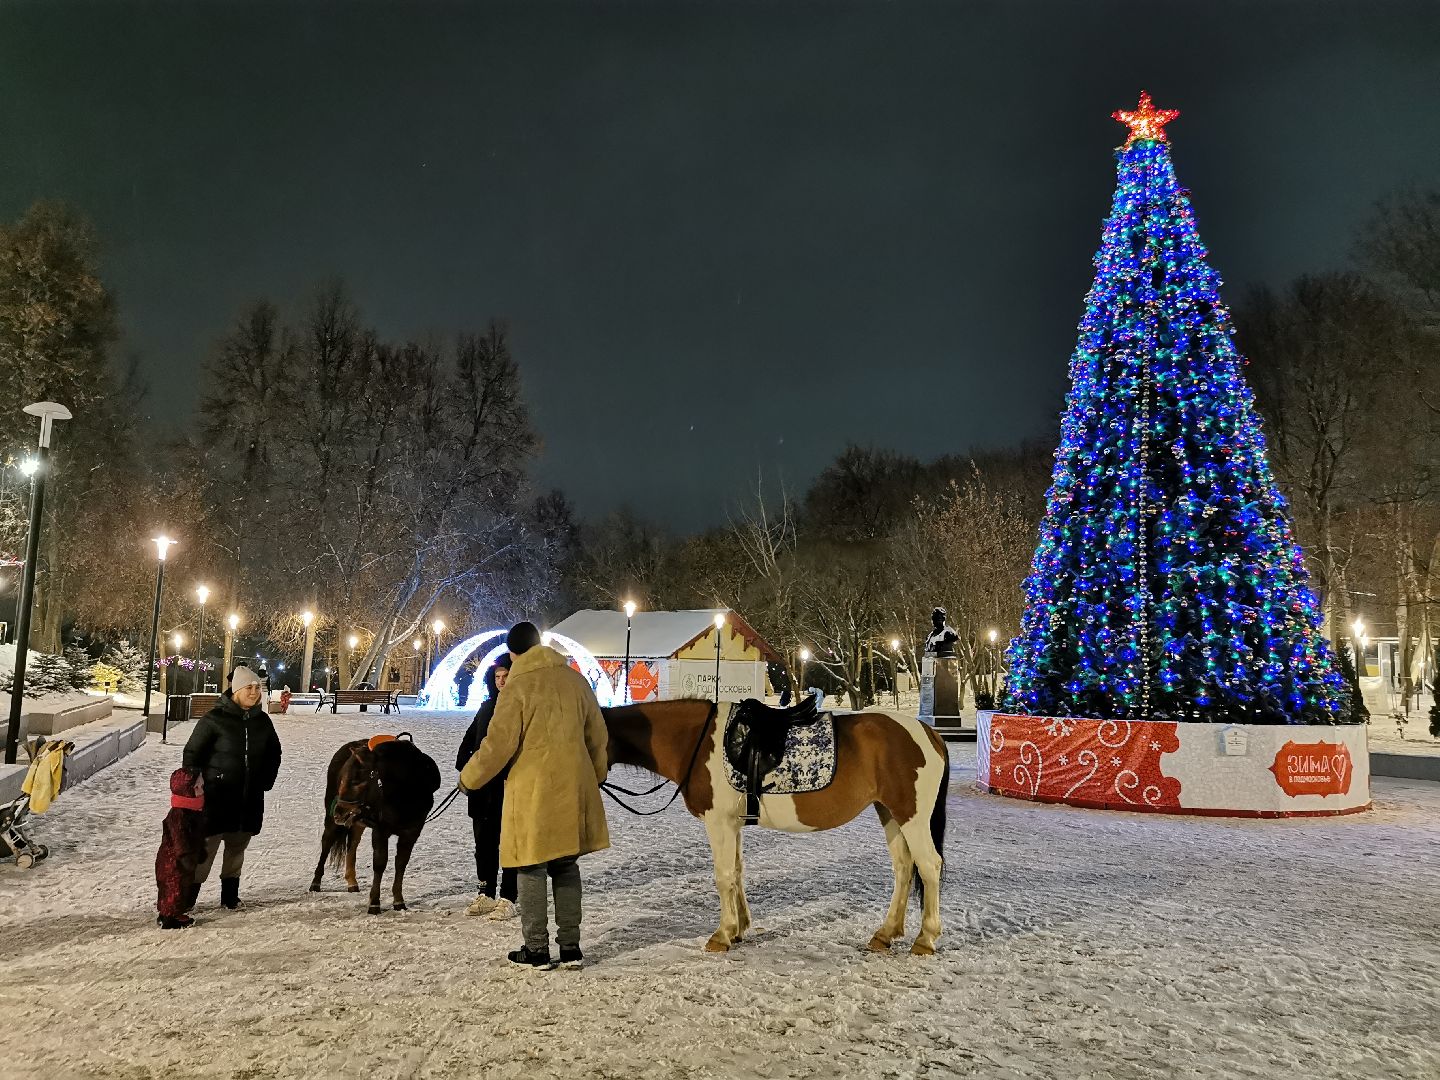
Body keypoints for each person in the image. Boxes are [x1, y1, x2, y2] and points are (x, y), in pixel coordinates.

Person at [459, 622, 609, 970]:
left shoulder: (518, 687)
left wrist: (470, 777)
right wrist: (594, 776)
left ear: (513, 653)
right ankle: (570, 948)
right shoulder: (575, 680)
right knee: (566, 866)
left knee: (530, 866)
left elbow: (498, 745)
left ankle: (537, 950)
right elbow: (598, 737)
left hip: (533, 791)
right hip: (573, 787)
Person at [182, 665, 282, 911]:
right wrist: (194, 786)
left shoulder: (262, 721)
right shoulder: (213, 720)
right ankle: (186, 899)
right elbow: (192, 753)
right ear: (236, 690)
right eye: (249, 687)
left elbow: (274, 752)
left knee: (237, 849)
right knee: (205, 851)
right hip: (215, 799)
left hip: (248, 798)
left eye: (258, 687)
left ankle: (230, 897)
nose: (254, 692)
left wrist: (265, 780)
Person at [455, 656, 518, 918]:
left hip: (509, 787)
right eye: (497, 677)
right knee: (484, 843)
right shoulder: (486, 707)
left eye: (506, 676)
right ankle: (486, 891)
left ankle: (509, 895)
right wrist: (467, 768)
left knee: (510, 843)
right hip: (483, 790)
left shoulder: (519, 708)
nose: (501, 682)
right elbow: (468, 742)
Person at [154, 766, 207, 930]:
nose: (201, 791)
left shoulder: (190, 811)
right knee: (173, 889)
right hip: (174, 863)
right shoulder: (179, 815)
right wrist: (187, 858)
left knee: (177, 889)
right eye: (197, 788)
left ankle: (168, 914)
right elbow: (180, 840)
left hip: (178, 861)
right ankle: (170, 918)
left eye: (201, 787)